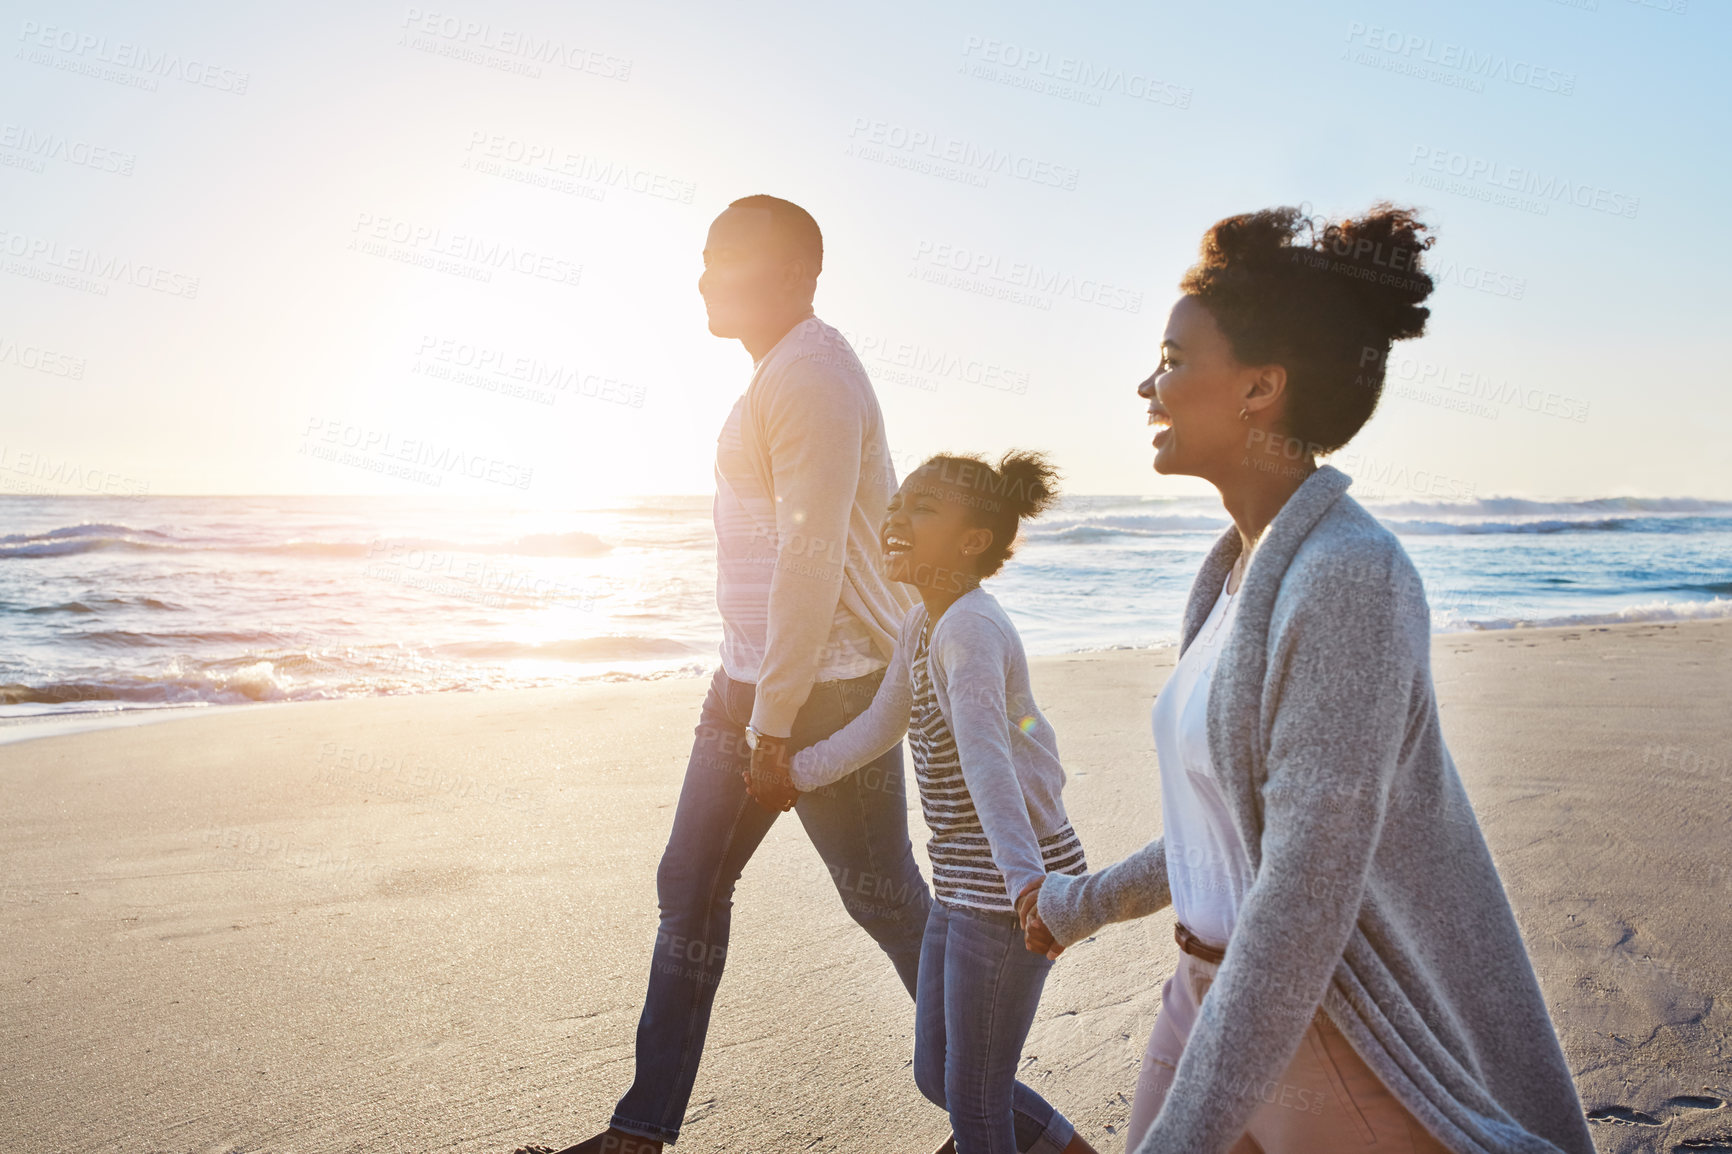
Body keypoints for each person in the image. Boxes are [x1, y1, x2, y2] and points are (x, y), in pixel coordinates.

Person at [1020, 205, 1596, 1154]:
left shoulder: (1348, 579)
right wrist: (1082, 905)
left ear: (1260, 387)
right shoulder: (1235, 579)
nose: (1145, 386)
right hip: (1205, 994)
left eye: (1171, 359)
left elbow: (1297, 895)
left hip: (1321, 1025)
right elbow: (1230, 827)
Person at [517, 195, 932, 1154]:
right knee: (691, 884)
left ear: (796, 276)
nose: (706, 278)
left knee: (882, 902)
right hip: (751, 683)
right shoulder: (776, 375)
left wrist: (776, 725)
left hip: (824, 691)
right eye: (705, 259)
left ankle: (1012, 1121)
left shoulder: (815, 375)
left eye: (729, 260)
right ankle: (640, 1132)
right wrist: (754, 698)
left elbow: (813, 558)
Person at [790, 451, 1098, 1154]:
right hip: (964, 878)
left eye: (922, 508)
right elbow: (880, 724)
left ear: (972, 542)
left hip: (1014, 885)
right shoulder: (921, 624)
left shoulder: (969, 630)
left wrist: (1026, 884)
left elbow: (988, 760)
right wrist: (798, 772)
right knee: (939, 1073)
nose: (896, 517)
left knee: (974, 1100)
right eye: (897, 504)